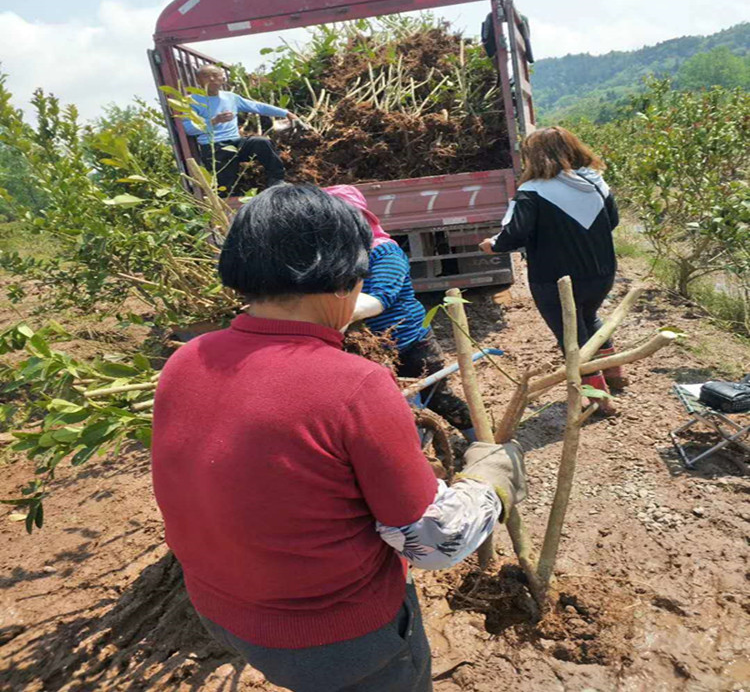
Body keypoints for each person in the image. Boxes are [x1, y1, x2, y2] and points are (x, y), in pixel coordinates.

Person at [151, 183, 527, 692]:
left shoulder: (184, 361)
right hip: (340, 640)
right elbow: (433, 544)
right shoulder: (353, 384)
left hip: (227, 615)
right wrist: (491, 482)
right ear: (342, 276)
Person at [480, 126, 624, 413]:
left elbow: (515, 235)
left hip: (555, 279)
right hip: (601, 272)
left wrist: (491, 245)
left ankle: (599, 399)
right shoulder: (595, 181)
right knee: (589, 317)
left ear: (534, 157)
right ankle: (615, 374)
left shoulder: (532, 192)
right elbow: (613, 221)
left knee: (571, 336)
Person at [324, 184, 475, 439]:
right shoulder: (333, 260)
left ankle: (482, 441)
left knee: (438, 398)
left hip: (412, 345)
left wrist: (328, 316)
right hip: (369, 354)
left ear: (361, 220)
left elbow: (379, 299)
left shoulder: (384, 250)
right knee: (389, 410)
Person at [183, 64, 298, 196]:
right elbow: (189, 129)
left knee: (261, 142)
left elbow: (257, 107)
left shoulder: (231, 97)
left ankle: (276, 180)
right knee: (226, 188)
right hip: (214, 148)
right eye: (206, 76)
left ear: (222, 78)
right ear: (198, 80)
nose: (212, 79)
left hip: (236, 143)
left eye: (215, 75)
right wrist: (215, 121)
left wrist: (286, 113)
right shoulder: (191, 101)